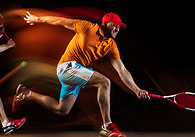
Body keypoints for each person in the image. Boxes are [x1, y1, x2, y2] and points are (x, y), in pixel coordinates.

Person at [16, 12, 150, 137]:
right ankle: (107, 126)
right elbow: (60, 21)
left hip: (77, 73)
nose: (117, 29)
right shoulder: (88, 27)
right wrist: (37, 19)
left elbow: (122, 69)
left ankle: (27, 94)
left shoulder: (111, 45)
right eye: (114, 25)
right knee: (104, 81)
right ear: (104, 24)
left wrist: (136, 89)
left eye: (119, 27)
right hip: (67, 67)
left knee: (62, 109)